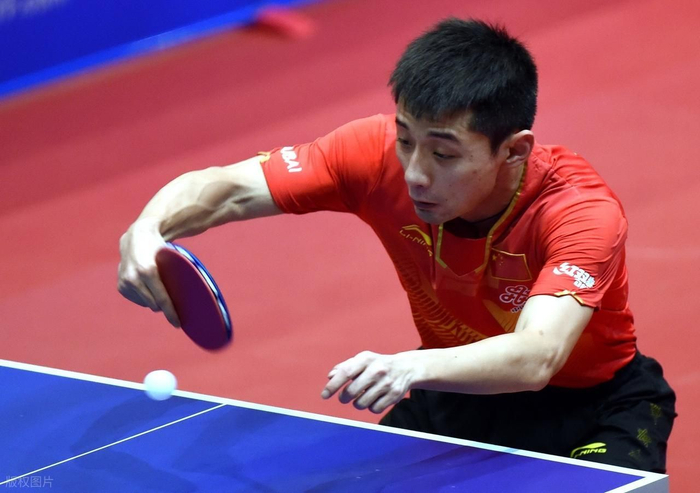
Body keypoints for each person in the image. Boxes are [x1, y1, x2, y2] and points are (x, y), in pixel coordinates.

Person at [118, 18, 676, 472]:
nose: (414, 173)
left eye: (444, 154)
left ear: (513, 150)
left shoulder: (579, 213)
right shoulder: (372, 155)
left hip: (593, 408)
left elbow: (538, 356)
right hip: (459, 394)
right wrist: (149, 227)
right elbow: (228, 189)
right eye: (405, 139)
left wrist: (411, 367)